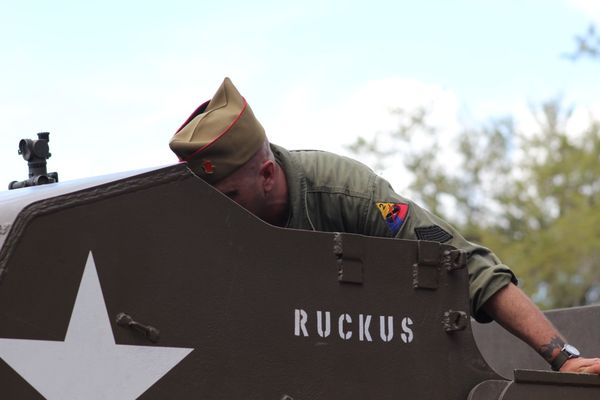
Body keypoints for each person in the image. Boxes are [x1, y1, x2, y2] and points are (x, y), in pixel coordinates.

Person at [169, 77, 600, 374]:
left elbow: (461, 263)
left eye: (230, 197)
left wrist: (562, 357)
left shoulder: (346, 192)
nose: (219, 212)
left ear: (266, 175)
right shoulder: (200, 217)